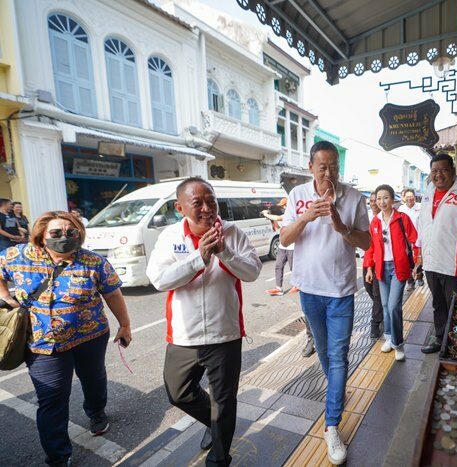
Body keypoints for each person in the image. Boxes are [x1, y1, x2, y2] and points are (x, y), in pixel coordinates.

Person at [146, 177, 262, 467]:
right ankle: (215, 422)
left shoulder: (233, 233)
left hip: (225, 334)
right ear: (180, 207)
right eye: (197, 203)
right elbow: (160, 279)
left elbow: (251, 273)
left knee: (225, 401)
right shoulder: (169, 236)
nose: (207, 208)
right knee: (178, 393)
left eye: (211, 200)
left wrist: (224, 252)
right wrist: (199, 257)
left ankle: (219, 458)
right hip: (184, 336)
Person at [0, 211, 131, 466]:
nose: (64, 238)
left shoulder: (94, 262)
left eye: (71, 233)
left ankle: (96, 413)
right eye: (56, 233)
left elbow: (113, 294)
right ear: (41, 235)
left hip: (90, 336)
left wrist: (124, 325)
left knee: (93, 378)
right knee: (51, 400)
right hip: (42, 344)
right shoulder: (17, 256)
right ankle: (58, 456)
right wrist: (6, 297)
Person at [280, 140, 370, 465]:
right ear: (311, 167)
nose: (329, 171)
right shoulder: (297, 195)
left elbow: (367, 240)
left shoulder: (354, 197)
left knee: (339, 356)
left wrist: (341, 227)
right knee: (323, 352)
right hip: (309, 290)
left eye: (334, 166)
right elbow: (285, 240)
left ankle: (331, 425)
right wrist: (305, 218)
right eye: (323, 166)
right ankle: (337, 390)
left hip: (342, 290)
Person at [416, 153, 457, 354]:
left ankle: (456, 344)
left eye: (444, 170)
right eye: (434, 171)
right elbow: (423, 226)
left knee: (456, 307)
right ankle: (440, 339)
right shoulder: (428, 193)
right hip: (431, 263)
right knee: (438, 305)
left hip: (455, 266)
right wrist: (419, 259)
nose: (439, 175)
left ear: (453, 171)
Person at [365, 185, 418, 362]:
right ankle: (388, 336)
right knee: (386, 305)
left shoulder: (402, 218)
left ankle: (398, 343)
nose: (382, 202)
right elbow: (371, 247)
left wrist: (418, 263)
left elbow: (415, 239)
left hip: (398, 268)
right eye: (378, 198)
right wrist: (370, 268)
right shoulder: (375, 222)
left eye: (385, 197)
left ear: (393, 199)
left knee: (394, 306)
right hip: (381, 268)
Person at [262, 203, 315, 358]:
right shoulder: (293, 216)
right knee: (309, 312)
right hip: (307, 280)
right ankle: (311, 340)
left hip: (325, 279)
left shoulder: (292, 214)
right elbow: (284, 236)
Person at [362, 192, 384, 338]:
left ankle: (375, 323)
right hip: (366, 260)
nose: (374, 204)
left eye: (376, 201)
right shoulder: (365, 217)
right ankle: (381, 309)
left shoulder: (384, 218)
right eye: (371, 201)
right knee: (369, 290)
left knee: (377, 294)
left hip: (380, 262)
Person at [398, 188, 424, 290]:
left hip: (419, 237)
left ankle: (420, 277)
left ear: (414, 197)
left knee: (419, 259)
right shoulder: (401, 209)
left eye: (411, 196)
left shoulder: (420, 207)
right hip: (407, 240)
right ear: (404, 198)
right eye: (407, 197)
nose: (410, 199)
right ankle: (410, 281)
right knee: (408, 260)